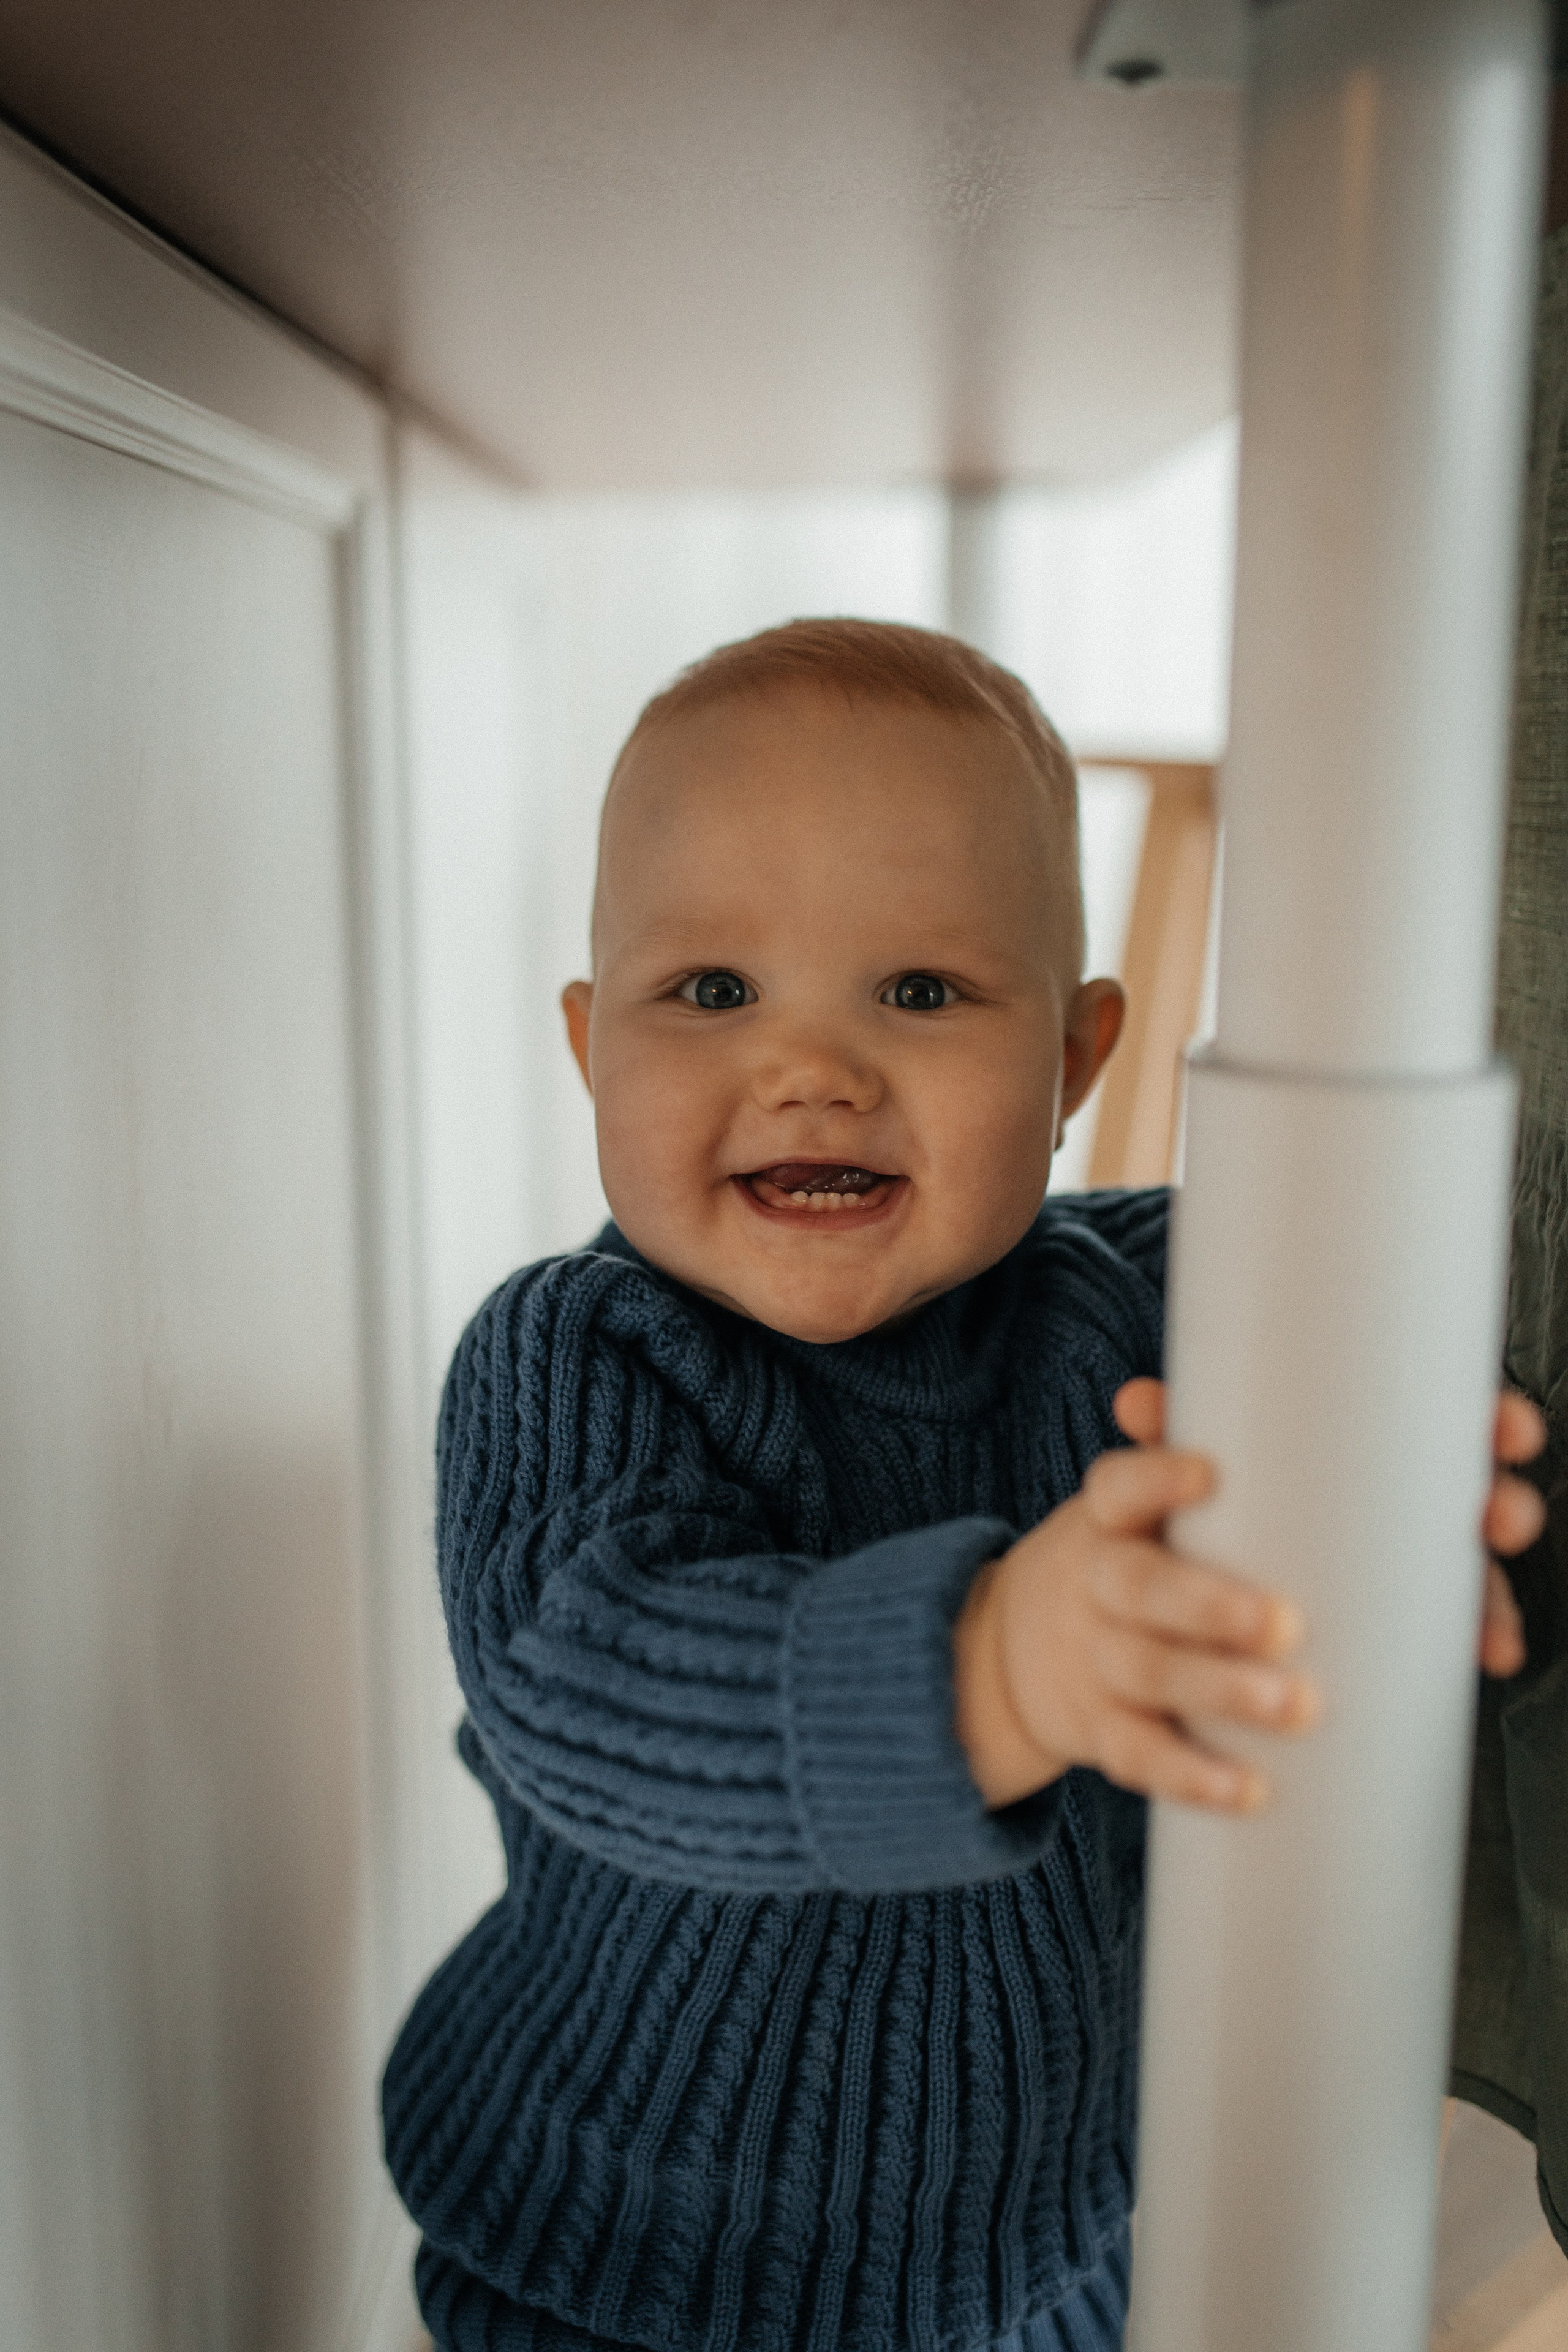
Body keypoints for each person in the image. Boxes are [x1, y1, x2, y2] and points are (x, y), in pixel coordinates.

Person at [382, 619, 1542, 2352]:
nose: (815, 1068)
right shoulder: (577, 1360)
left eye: (920, 993)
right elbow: (591, 1685)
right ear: (590, 1044)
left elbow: (1337, 1340)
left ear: (1075, 1064)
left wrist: (1402, 1443)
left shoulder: (1143, 1314)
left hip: (1052, 2280)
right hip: (615, 2277)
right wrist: (992, 1664)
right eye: (712, 992)